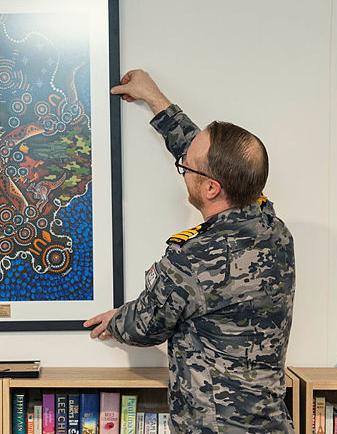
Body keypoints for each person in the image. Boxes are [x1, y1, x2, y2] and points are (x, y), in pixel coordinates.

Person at [85, 70, 295, 433]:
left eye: (185, 168)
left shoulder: (193, 260)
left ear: (212, 189)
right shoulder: (272, 227)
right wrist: (156, 101)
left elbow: (145, 326)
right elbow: (208, 157)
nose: (182, 170)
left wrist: (117, 318)